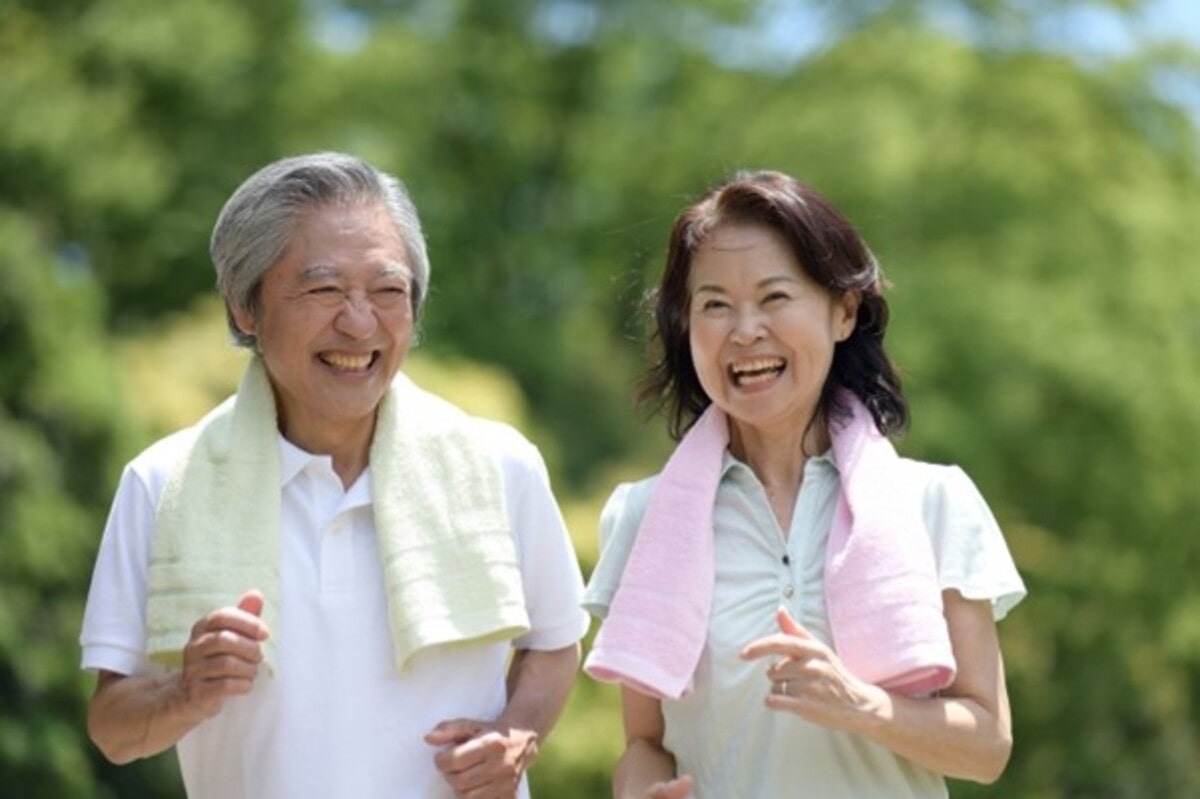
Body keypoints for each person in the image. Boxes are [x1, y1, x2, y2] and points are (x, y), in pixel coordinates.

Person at [80, 151, 590, 799]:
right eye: (323, 290)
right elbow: (113, 728)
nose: (359, 322)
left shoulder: (500, 466)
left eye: (387, 291)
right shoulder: (162, 483)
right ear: (244, 307)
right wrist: (185, 690)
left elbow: (556, 643)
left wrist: (518, 733)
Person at [583, 170, 1026, 798]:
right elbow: (644, 743)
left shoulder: (935, 502)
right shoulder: (643, 517)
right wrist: (640, 791)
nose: (744, 331)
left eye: (774, 297)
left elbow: (986, 746)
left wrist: (864, 706)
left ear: (843, 312)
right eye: (714, 304)